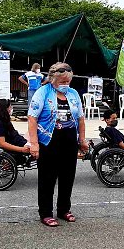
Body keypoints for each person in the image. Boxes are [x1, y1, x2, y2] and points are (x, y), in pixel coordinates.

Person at [27, 62, 85, 226]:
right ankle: (45, 212)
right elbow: (32, 118)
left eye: (68, 81)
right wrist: (34, 143)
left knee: (68, 176)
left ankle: (64, 209)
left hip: (69, 139)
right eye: (62, 81)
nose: (66, 84)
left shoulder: (73, 94)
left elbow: (80, 118)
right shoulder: (43, 92)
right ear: (53, 79)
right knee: (47, 178)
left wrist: (82, 140)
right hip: (48, 140)